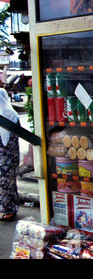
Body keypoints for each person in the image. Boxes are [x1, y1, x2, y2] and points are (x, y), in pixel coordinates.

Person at [0, 88, 21, 221]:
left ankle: (9, 210)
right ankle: (11, 208)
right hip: (8, 157)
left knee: (5, 182)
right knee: (9, 182)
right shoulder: (12, 115)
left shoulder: (8, 116)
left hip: (7, 158)